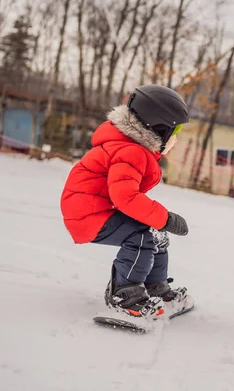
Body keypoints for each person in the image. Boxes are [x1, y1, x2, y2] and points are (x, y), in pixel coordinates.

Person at [60, 84, 191, 320]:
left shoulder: (130, 147)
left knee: (155, 232)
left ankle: (155, 287)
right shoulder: (130, 152)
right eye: (175, 130)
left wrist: (160, 222)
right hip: (88, 214)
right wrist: (166, 218)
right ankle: (125, 295)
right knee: (142, 236)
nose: (176, 138)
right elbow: (125, 197)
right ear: (159, 127)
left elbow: (124, 195)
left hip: (98, 208)